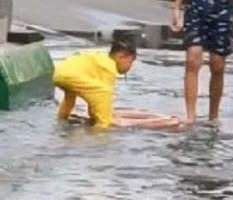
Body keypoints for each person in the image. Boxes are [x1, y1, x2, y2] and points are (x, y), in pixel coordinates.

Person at [53, 38, 183, 131]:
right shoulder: (109, 67)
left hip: (59, 74)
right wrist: (98, 117)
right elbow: (101, 97)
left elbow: (92, 93)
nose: (130, 67)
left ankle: (61, 118)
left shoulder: (100, 59)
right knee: (104, 95)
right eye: (130, 62)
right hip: (71, 76)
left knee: (70, 96)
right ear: (122, 57)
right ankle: (99, 134)